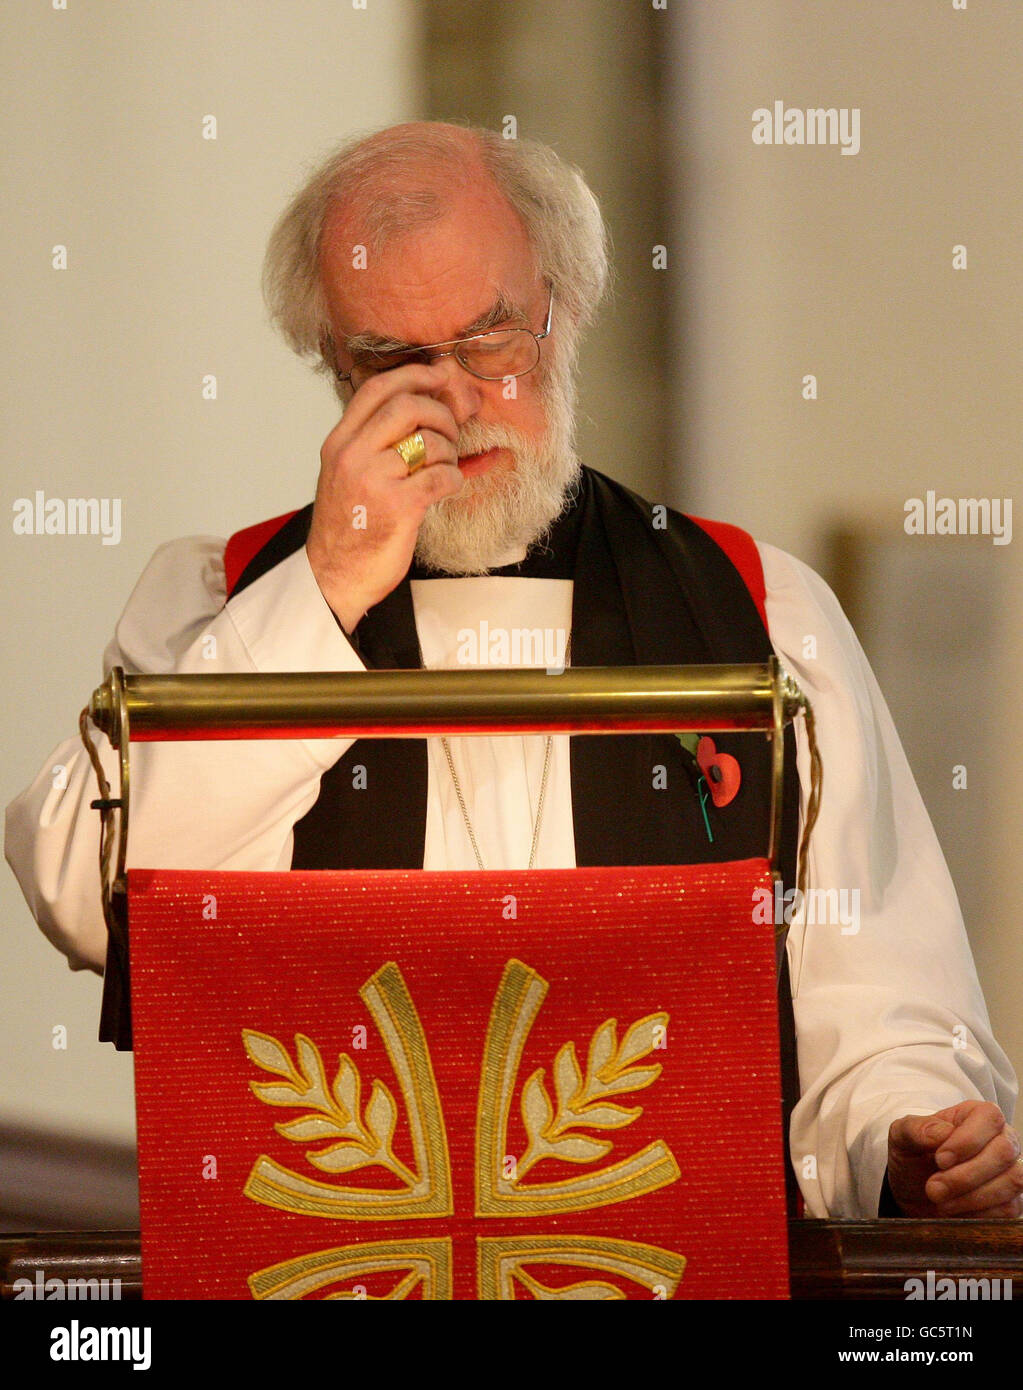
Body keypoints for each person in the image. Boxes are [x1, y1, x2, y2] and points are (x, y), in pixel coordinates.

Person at [5, 121, 1019, 1223]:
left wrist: (904, 1145)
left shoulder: (755, 613)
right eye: (394, 362)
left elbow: (875, 1008)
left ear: (564, 306)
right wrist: (328, 585)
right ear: (331, 365)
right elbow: (90, 897)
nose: (455, 401)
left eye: (493, 341)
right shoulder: (215, 598)